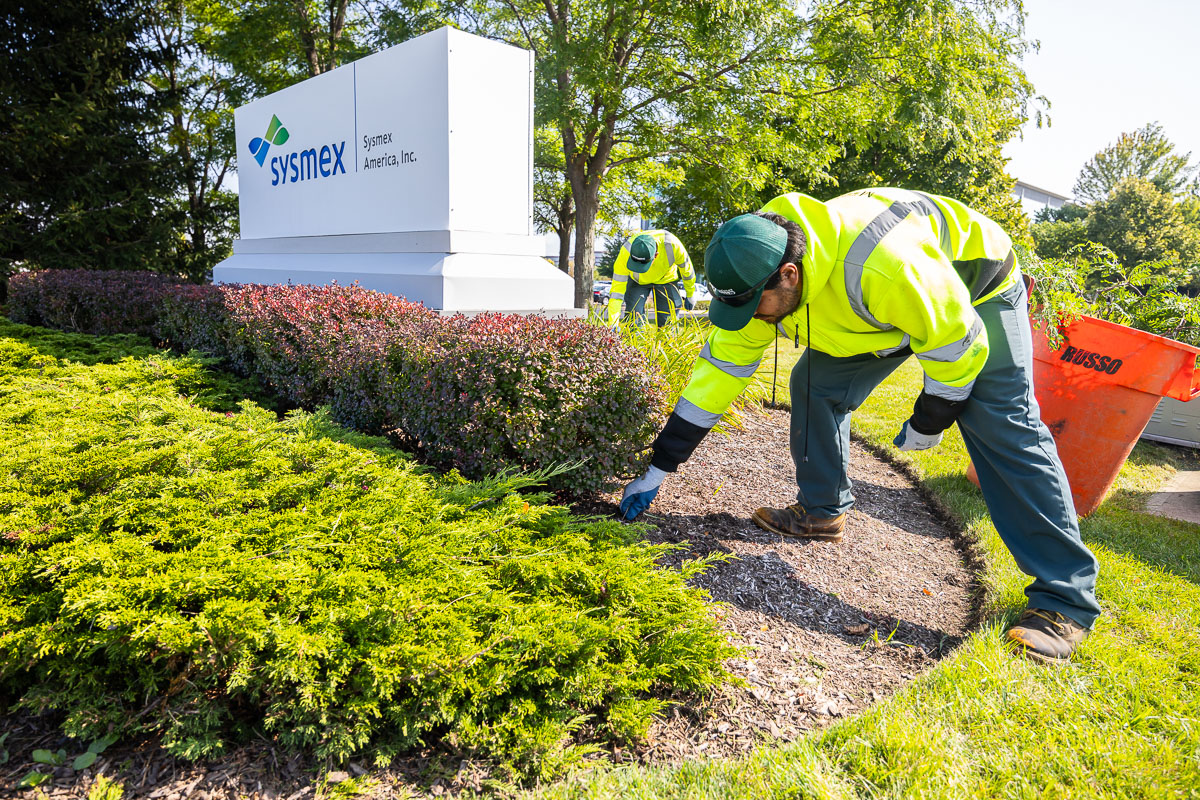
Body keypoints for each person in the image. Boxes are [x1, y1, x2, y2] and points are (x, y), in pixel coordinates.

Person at [618, 188, 1100, 664]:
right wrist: (659, 469)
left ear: (789, 275)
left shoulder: (887, 266)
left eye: (753, 306)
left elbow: (958, 344)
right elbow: (719, 375)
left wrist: (930, 420)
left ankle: (1064, 601)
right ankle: (822, 511)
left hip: (971, 287)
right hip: (872, 312)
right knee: (813, 383)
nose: (748, 320)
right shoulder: (758, 263)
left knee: (1001, 423)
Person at [606, 230, 698, 326]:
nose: (638, 268)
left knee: (668, 322)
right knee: (634, 317)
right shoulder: (625, 252)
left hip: (666, 279)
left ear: (656, 255)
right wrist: (613, 323)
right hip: (638, 282)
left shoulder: (673, 245)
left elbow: (688, 273)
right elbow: (617, 292)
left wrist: (690, 294)